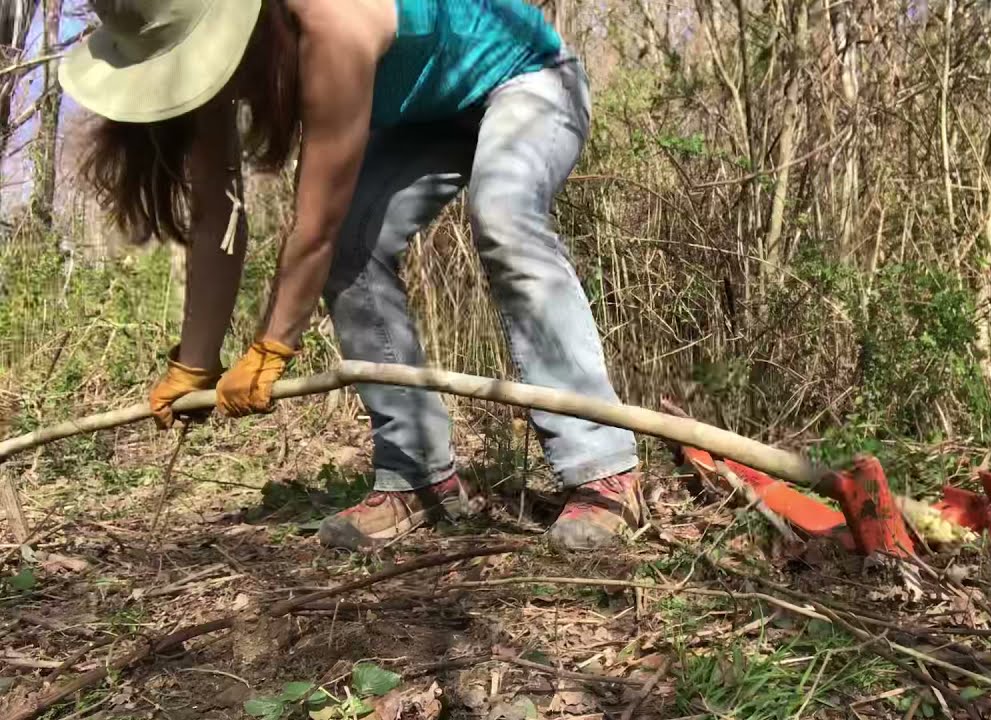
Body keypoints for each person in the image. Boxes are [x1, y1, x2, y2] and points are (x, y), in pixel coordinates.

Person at [60, 0, 643, 551]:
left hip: (530, 77)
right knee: (351, 252)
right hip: (426, 114)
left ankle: (604, 470)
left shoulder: (332, 21)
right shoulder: (216, 61)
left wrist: (270, 348)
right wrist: (195, 362)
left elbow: (314, 224)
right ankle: (419, 480)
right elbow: (219, 214)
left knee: (503, 213)